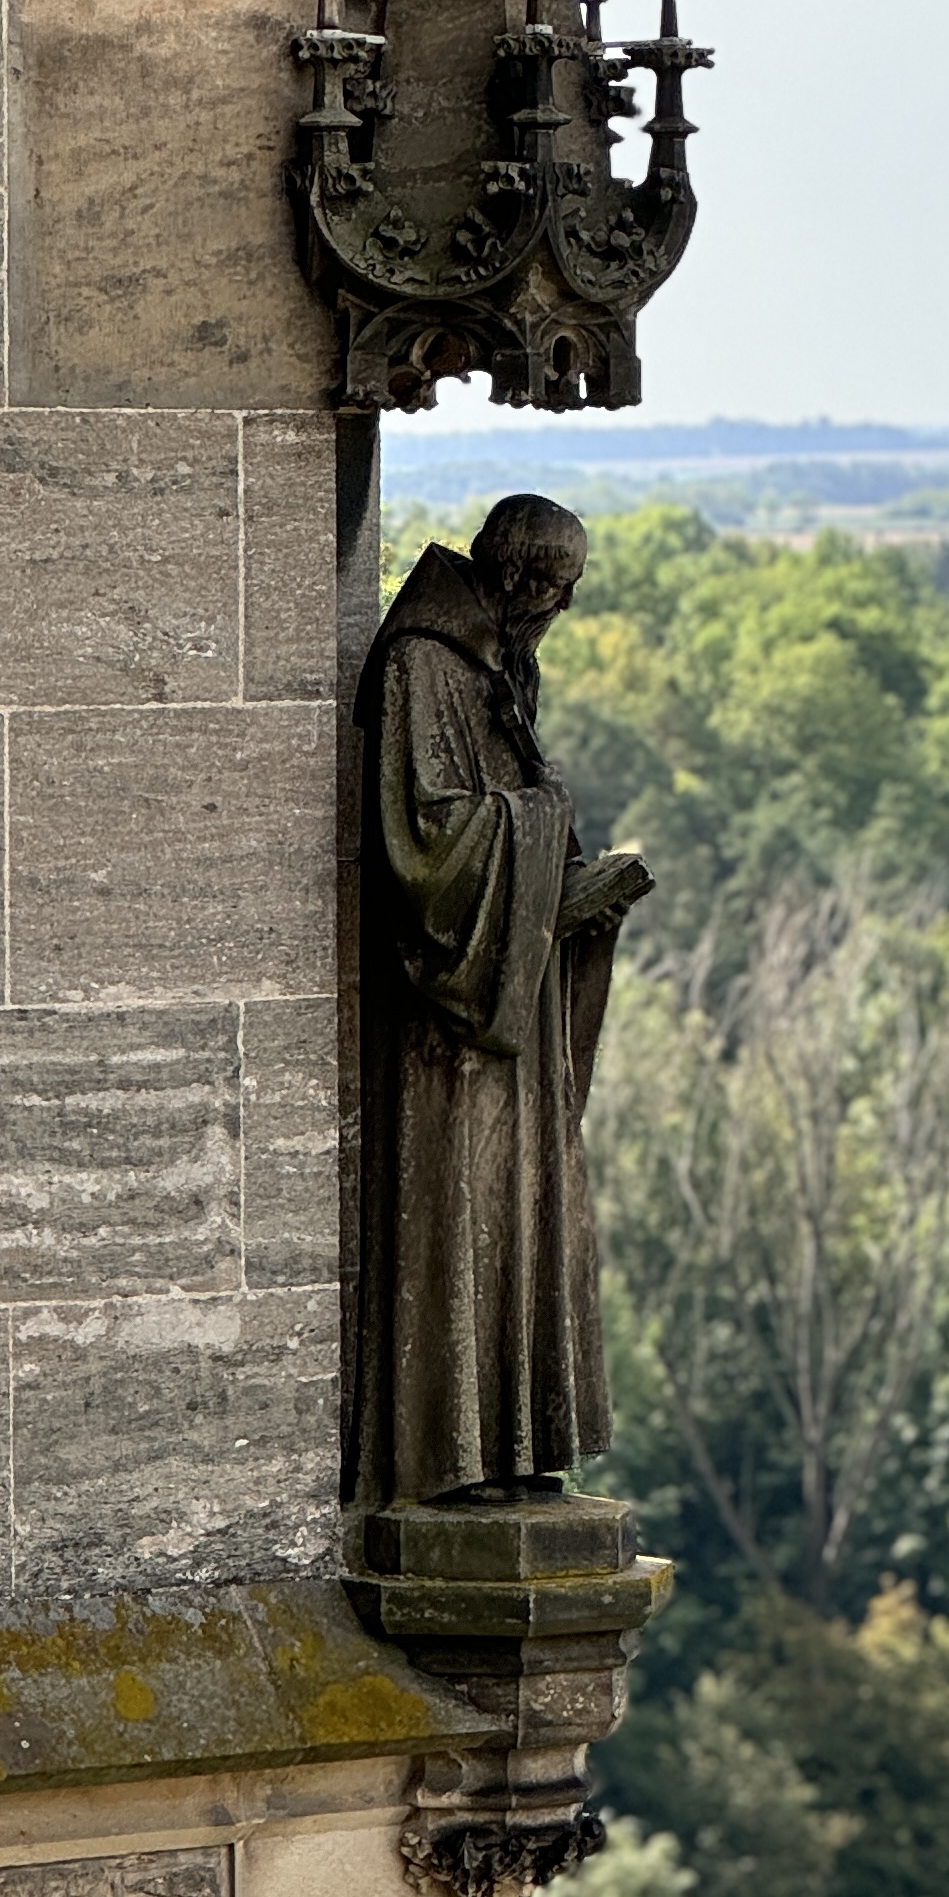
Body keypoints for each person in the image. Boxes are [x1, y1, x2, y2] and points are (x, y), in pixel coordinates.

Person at [350, 492, 651, 1506]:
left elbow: (506, 818)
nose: (559, 611)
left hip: (513, 1003)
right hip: (455, 1017)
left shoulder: (500, 667)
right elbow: (426, 841)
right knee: (455, 1213)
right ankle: (445, 1459)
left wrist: (573, 891)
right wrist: (541, 829)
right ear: (517, 580)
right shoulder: (421, 664)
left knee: (524, 1214)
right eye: (556, 591)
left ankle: (515, 1445)